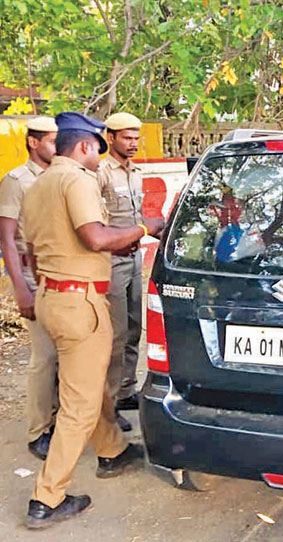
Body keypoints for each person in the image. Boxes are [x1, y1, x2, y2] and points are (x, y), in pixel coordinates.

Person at [21, 112, 164, 529]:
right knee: (79, 405)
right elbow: (95, 236)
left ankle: (113, 450)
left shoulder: (38, 183)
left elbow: (35, 250)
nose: (97, 158)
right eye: (95, 150)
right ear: (85, 147)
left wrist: (98, 253)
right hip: (79, 302)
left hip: (51, 294)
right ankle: (46, 498)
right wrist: (141, 229)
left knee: (88, 382)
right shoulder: (78, 180)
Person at [0, 117, 59, 460]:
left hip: (57, 273)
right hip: (32, 278)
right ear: (33, 143)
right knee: (44, 357)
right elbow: (7, 239)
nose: (56, 146)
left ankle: (60, 419)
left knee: (65, 357)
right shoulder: (16, 181)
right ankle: (39, 430)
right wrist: (21, 290)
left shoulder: (60, 177)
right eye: (51, 141)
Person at [97, 112, 148, 432]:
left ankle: (126, 391)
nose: (132, 144)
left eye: (136, 138)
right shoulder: (99, 173)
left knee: (134, 329)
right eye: (126, 138)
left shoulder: (136, 173)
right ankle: (109, 403)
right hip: (111, 261)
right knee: (114, 336)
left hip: (134, 260)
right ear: (111, 137)